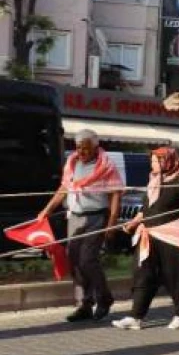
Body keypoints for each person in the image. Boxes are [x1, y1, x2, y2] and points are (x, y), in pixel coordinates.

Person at [38, 130, 123, 323]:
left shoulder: (106, 166)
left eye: (85, 148)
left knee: (87, 260)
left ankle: (104, 298)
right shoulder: (72, 163)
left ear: (94, 147)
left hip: (96, 217)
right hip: (75, 217)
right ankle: (85, 304)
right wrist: (46, 210)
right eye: (78, 147)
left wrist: (112, 222)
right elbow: (63, 189)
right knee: (74, 262)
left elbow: (116, 195)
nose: (81, 151)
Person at [112, 147, 179, 330]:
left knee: (175, 276)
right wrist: (133, 223)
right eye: (153, 161)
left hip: (173, 237)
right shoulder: (153, 181)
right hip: (149, 234)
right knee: (142, 273)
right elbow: (146, 209)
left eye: (158, 160)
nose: (153, 164)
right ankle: (135, 317)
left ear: (170, 161)